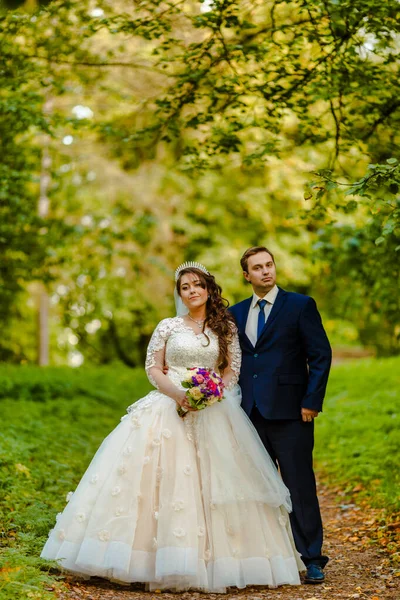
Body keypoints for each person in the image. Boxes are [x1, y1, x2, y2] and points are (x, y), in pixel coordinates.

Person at [41, 262, 304, 592]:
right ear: (180, 294)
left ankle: (225, 562)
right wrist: (180, 395)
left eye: (197, 285)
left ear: (209, 289)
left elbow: (229, 372)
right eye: (185, 287)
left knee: (219, 481)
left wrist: (209, 395)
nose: (192, 291)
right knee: (155, 479)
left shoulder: (225, 329)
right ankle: (144, 559)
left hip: (213, 409)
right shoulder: (167, 326)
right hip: (168, 406)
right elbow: (154, 368)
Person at [229, 247, 332, 584]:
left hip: (292, 412)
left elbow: (320, 355)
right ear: (247, 275)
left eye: (269, 265)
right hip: (249, 413)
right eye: (257, 268)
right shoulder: (236, 313)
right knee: (256, 486)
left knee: (299, 486)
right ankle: (265, 557)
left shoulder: (300, 306)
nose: (265, 272)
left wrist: (311, 401)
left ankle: (311, 558)